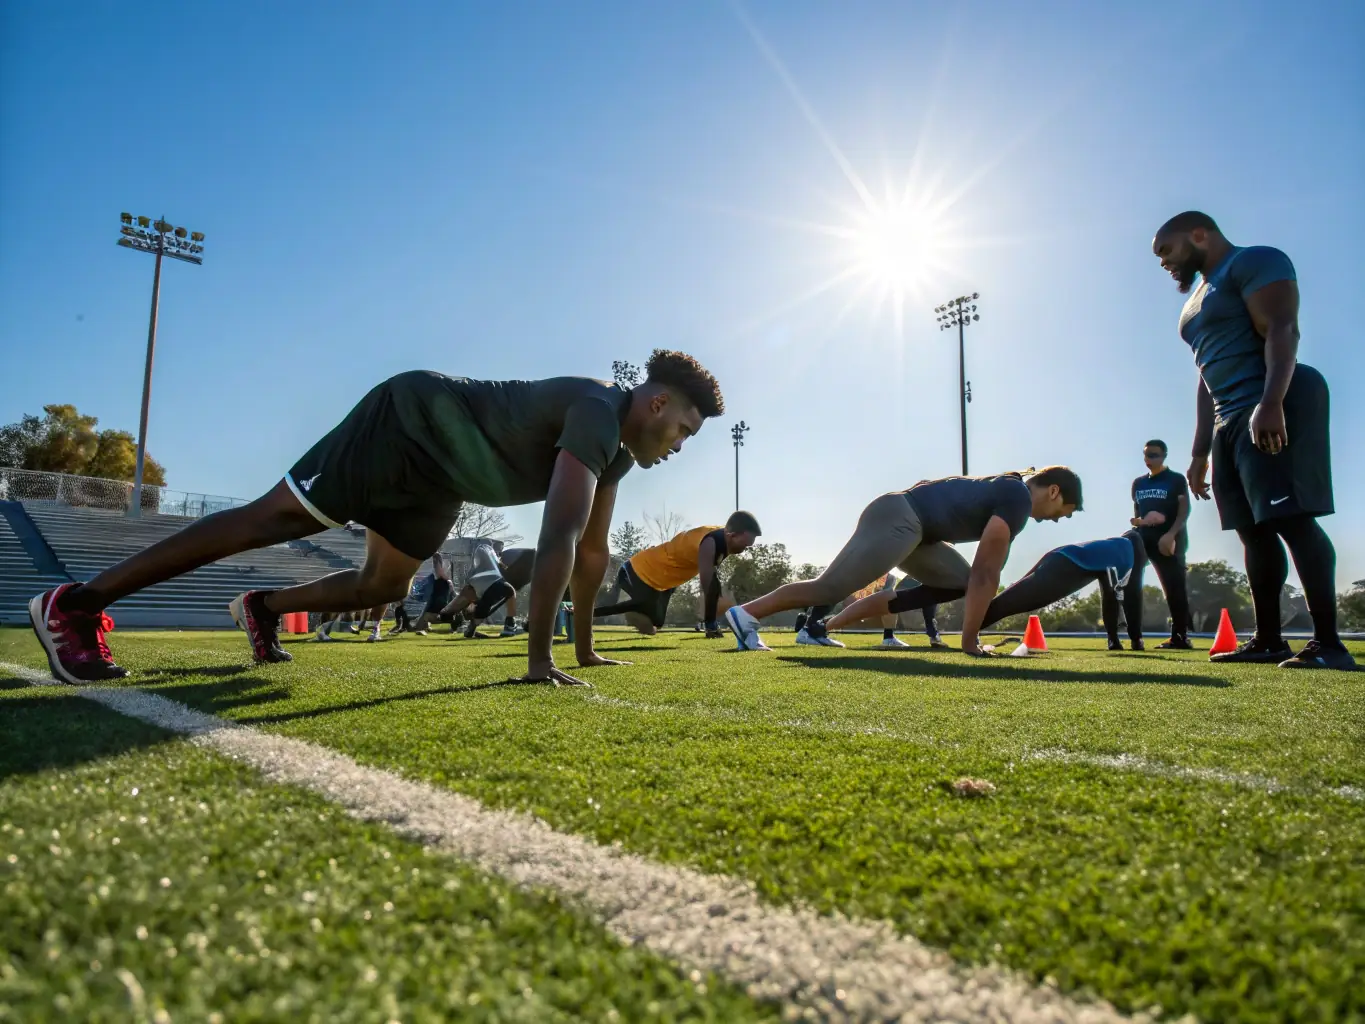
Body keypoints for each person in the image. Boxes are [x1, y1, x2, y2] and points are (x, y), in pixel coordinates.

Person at [29, 350, 724, 686]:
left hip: (440, 476)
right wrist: (537, 660)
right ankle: (76, 603)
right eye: (685, 429)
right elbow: (560, 538)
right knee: (269, 521)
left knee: (382, 589)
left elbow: (594, 552)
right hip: (408, 423)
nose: (681, 446)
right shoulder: (599, 412)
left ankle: (264, 607)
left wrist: (581, 651)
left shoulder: (621, 454)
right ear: (656, 405)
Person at [1152, 211, 1353, 670]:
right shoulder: (1195, 302)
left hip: (1272, 401)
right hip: (1229, 420)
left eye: (1167, 249)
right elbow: (1206, 376)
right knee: (1252, 532)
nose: (1163, 262)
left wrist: (1272, 402)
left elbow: (1282, 327)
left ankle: (1329, 644)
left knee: (1293, 519)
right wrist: (1200, 450)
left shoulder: (1255, 261)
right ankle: (1268, 640)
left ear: (1199, 234)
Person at [724, 468, 1082, 656]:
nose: (1055, 520)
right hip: (903, 516)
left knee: (960, 579)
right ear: (1054, 491)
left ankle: (818, 627)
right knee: (831, 586)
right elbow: (988, 569)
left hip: (918, 530)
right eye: (1062, 513)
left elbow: (977, 577)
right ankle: (747, 614)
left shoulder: (1012, 489)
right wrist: (970, 641)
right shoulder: (1017, 496)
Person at [825, 530, 1148, 652]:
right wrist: (1124, 639)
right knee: (995, 596)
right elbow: (1115, 594)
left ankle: (823, 625)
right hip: (1060, 562)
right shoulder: (1127, 552)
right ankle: (822, 624)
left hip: (1058, 557)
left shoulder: (1118, 547)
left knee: (916, 597)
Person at [593, 512, 761, 635]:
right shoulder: (711, 542)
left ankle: (638, 614)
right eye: (745, 545)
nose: (744, 550)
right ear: (731, 535)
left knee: (655, 624)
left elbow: (712, 581)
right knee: (642, 603)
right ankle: (583, 612)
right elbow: (708, 584)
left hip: (663, 582)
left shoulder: (725, 539)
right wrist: (711, 624)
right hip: (638, 570)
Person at [1130, 439, 1192, 649]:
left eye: (1154, 455)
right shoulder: (1139, 483)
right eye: (1146, 455)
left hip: (1169, 539)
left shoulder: (1175, 479)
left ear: (1164, 455)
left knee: (1173, 588)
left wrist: (1171, 534)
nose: (1149, 460)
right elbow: (1137, 512)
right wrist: (1138, 523)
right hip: (1143, 538)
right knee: (1131, 583)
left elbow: (1184, 510)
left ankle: (1180, 637)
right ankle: (1134, 638)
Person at [410, 553, 457, 634]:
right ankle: (421, 626)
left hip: (440, 601)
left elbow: (440, 572)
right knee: (427, 614)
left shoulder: (443, 578)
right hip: (438, 600)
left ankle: (420, 627)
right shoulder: (438, 576)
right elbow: (439, 572)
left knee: (427, 615)